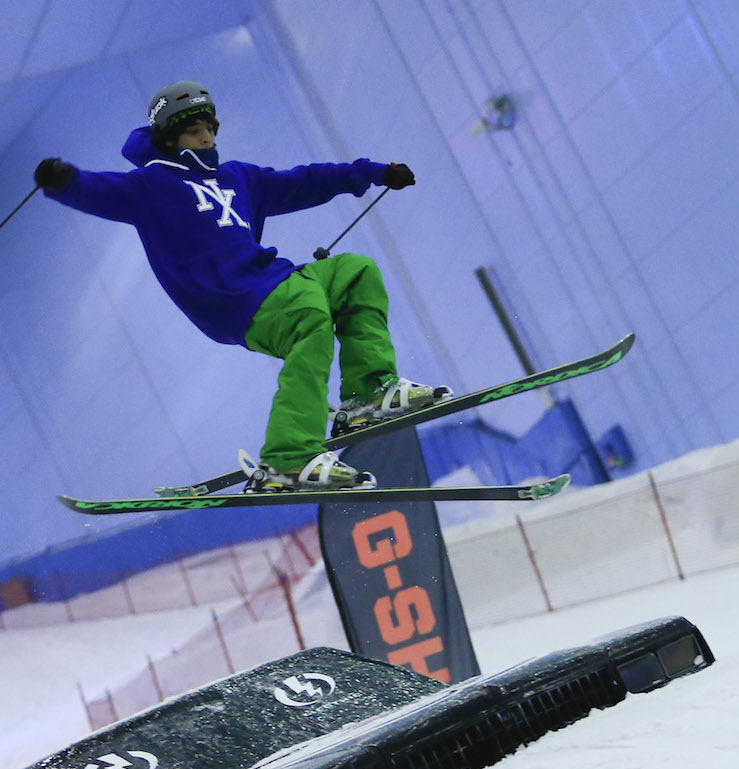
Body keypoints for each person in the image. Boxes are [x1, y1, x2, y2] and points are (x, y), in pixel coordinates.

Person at [33, 80, 447, 493]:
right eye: (195, 131)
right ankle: (290, 457)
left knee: (356, 272)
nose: (207, 137)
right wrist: (64, 180)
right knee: (308, 315)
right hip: (230, 298)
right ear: (171, 138)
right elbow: (100, 191)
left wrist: (374, 172)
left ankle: (369, 391)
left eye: (210, 128)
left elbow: (305, 180)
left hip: (272, 280)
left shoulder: (239, 178)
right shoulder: (151, 186)